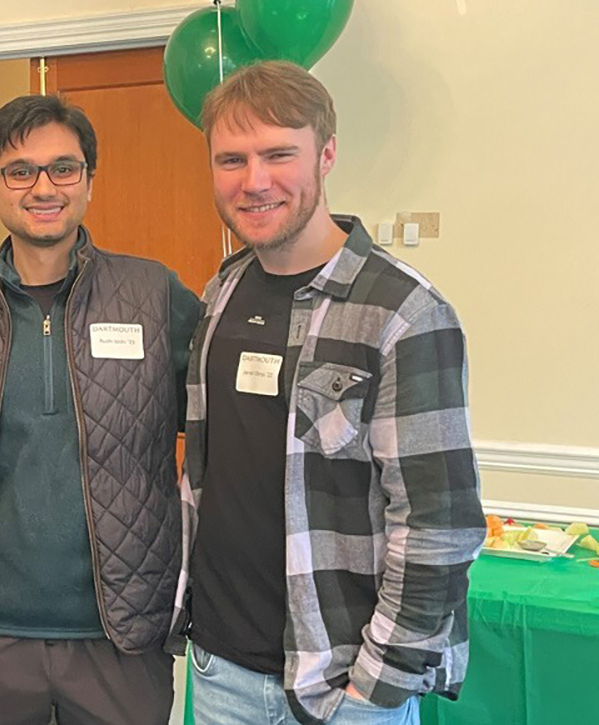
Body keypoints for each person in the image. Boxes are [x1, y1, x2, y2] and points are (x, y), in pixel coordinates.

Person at [173, 60, 484, 725]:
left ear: (328, 154)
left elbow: (440, 522)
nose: (254, 181)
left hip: (339, 686)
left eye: (279, 154)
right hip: (219, 670)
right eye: (232, 159)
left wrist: (377, 686)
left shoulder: (403, 311)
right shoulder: (221, 292)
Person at [0, 94, 200, 724]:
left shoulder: (154, 295)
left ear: (89, 182)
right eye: (20, 171)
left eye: (63, 168)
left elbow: (224, 437)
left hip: (122, 636)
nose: (43, 187)